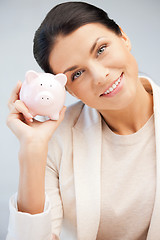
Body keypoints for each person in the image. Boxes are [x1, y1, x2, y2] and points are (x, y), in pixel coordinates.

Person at [6, 1, 160, 240]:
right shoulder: (56, 140)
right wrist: (33, 148)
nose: (100, 76)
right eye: (77, 74)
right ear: (69, 91)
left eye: (101, 49)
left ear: (123, 37)